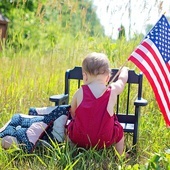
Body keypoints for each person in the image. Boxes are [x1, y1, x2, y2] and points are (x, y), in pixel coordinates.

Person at [66, 52, 128, 155]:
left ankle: (71, 152)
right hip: (105, 140)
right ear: (108, 78)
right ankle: (120, 155)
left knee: (70, 128)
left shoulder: (80, 92)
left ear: (85, 77)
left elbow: (72, 112)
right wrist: (124, 70)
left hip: (80, 138)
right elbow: (122, 81)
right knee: (119, 130)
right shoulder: (112, 90)